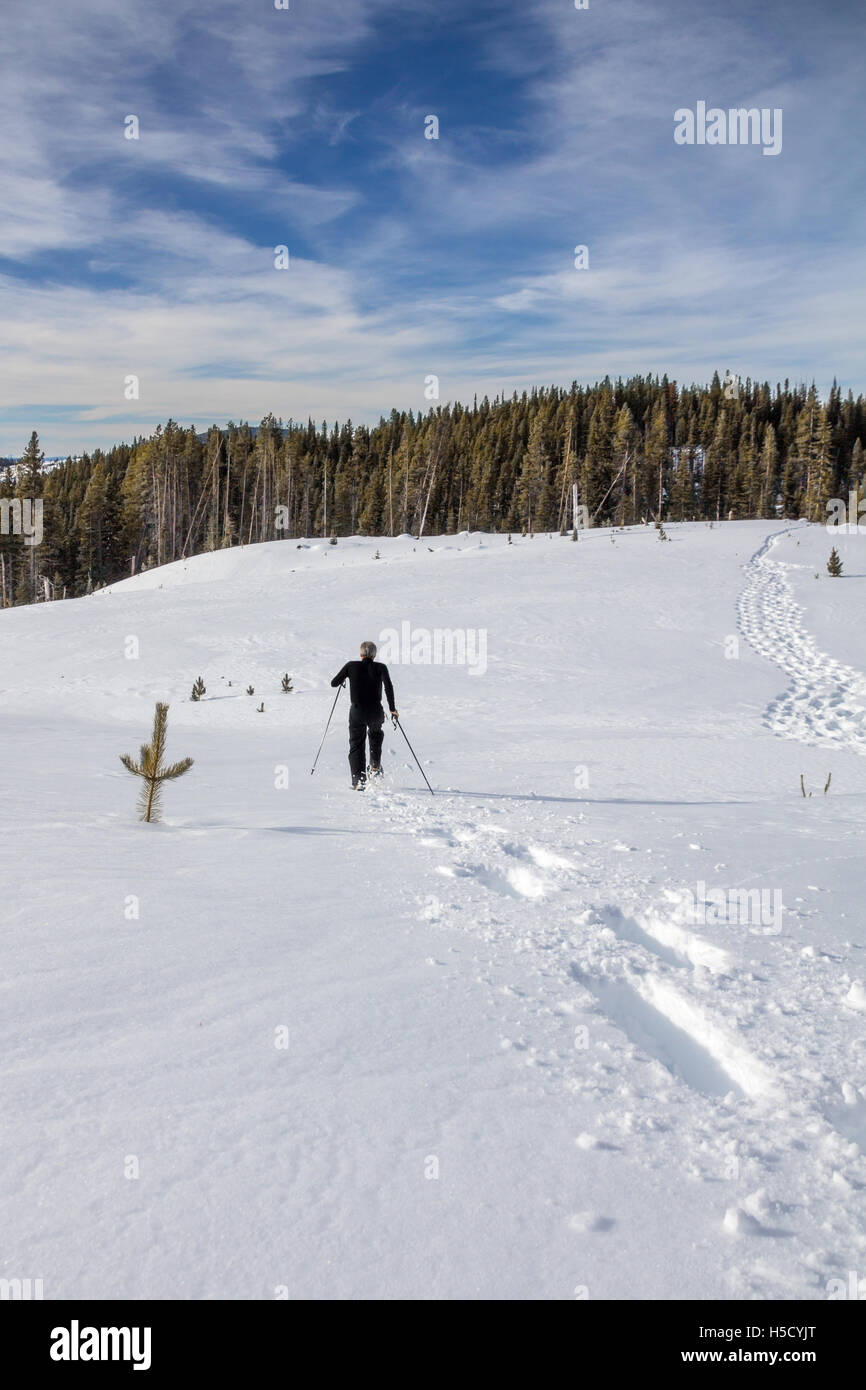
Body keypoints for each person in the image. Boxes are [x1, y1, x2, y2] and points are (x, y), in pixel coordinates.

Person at [331, 641, 398, 789]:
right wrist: (392, 709)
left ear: (361, 654)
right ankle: (375, 765)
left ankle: (358, 781)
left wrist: (344, 678)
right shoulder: (381, 667)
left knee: (356, 744)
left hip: (357, 711)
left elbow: (333, 683)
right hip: (375, 711)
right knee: (376, 734)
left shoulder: (351, 666)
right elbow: (388, 687)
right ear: (374, 655)